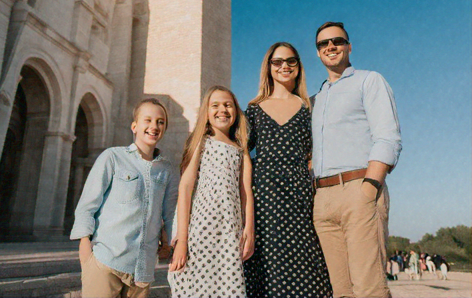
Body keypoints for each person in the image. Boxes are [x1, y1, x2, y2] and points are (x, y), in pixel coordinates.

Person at [311, 22, 402, 298]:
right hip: (322, 200)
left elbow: (387, 137)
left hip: (358, 190)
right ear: (317, 53)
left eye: (337, 41)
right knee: (341, 292)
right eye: (323, 43)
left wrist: (369, 187)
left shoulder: (369, 80)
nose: (330, 46)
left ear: (349, 47)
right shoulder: (315, 99)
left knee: (369, 288)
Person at [244, 42, 332, 298]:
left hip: (301, 199)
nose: (284, 66)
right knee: (267, 272)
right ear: (268, 67)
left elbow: (317, 154)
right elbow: (242, 159)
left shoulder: (310, 107)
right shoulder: (253, 109)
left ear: (298, 66)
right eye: (278, 61)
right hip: (264, 200)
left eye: (290, 61)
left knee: (309, 272)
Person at [70, 98, 178, 298]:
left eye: (160, 122)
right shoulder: (112, 157)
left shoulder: (167, 171)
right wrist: (85, 251)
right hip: (105, 263)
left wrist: (172, 245)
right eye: (148, 120)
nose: (154, 126)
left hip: (142, 272)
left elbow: (171, 214)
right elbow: (87, 205)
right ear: (134, 126)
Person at [168, 86, 254, 298]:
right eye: (215, 105)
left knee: (227, 287)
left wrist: (249, 230)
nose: (222, 110)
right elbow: (185, 188)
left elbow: (246, 193)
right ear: (206, 112)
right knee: (195, 286)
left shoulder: (240, 149)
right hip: (200, 230)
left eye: (228, 105)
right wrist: (181, 240)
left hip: (229, 233)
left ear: (236, 111)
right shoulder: (201, 142)